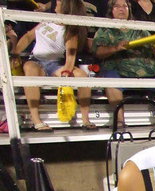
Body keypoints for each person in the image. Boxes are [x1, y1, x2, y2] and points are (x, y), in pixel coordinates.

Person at [14, 0, 95, 131]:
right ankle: (36, 120)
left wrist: (67, 73)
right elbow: (29, 36)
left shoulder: (70, 30)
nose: (56, 2)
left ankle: (85, 119)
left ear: (67, 6)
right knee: (30, 68)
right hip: (36, 60)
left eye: (60, 1)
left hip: (55, 64)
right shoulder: (48, 20)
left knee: (83, 76)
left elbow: (70, 55)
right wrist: (14, 54)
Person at [92, 0, 155, 125]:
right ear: (111, 10)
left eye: (125, 6)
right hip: (120, 70)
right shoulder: (105, 29)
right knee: (110, 79)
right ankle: (120, 121)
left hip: (148, 71)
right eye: (117, 6)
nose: (121, 9)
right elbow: (98, 52)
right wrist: (115, 48)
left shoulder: (140, 29)